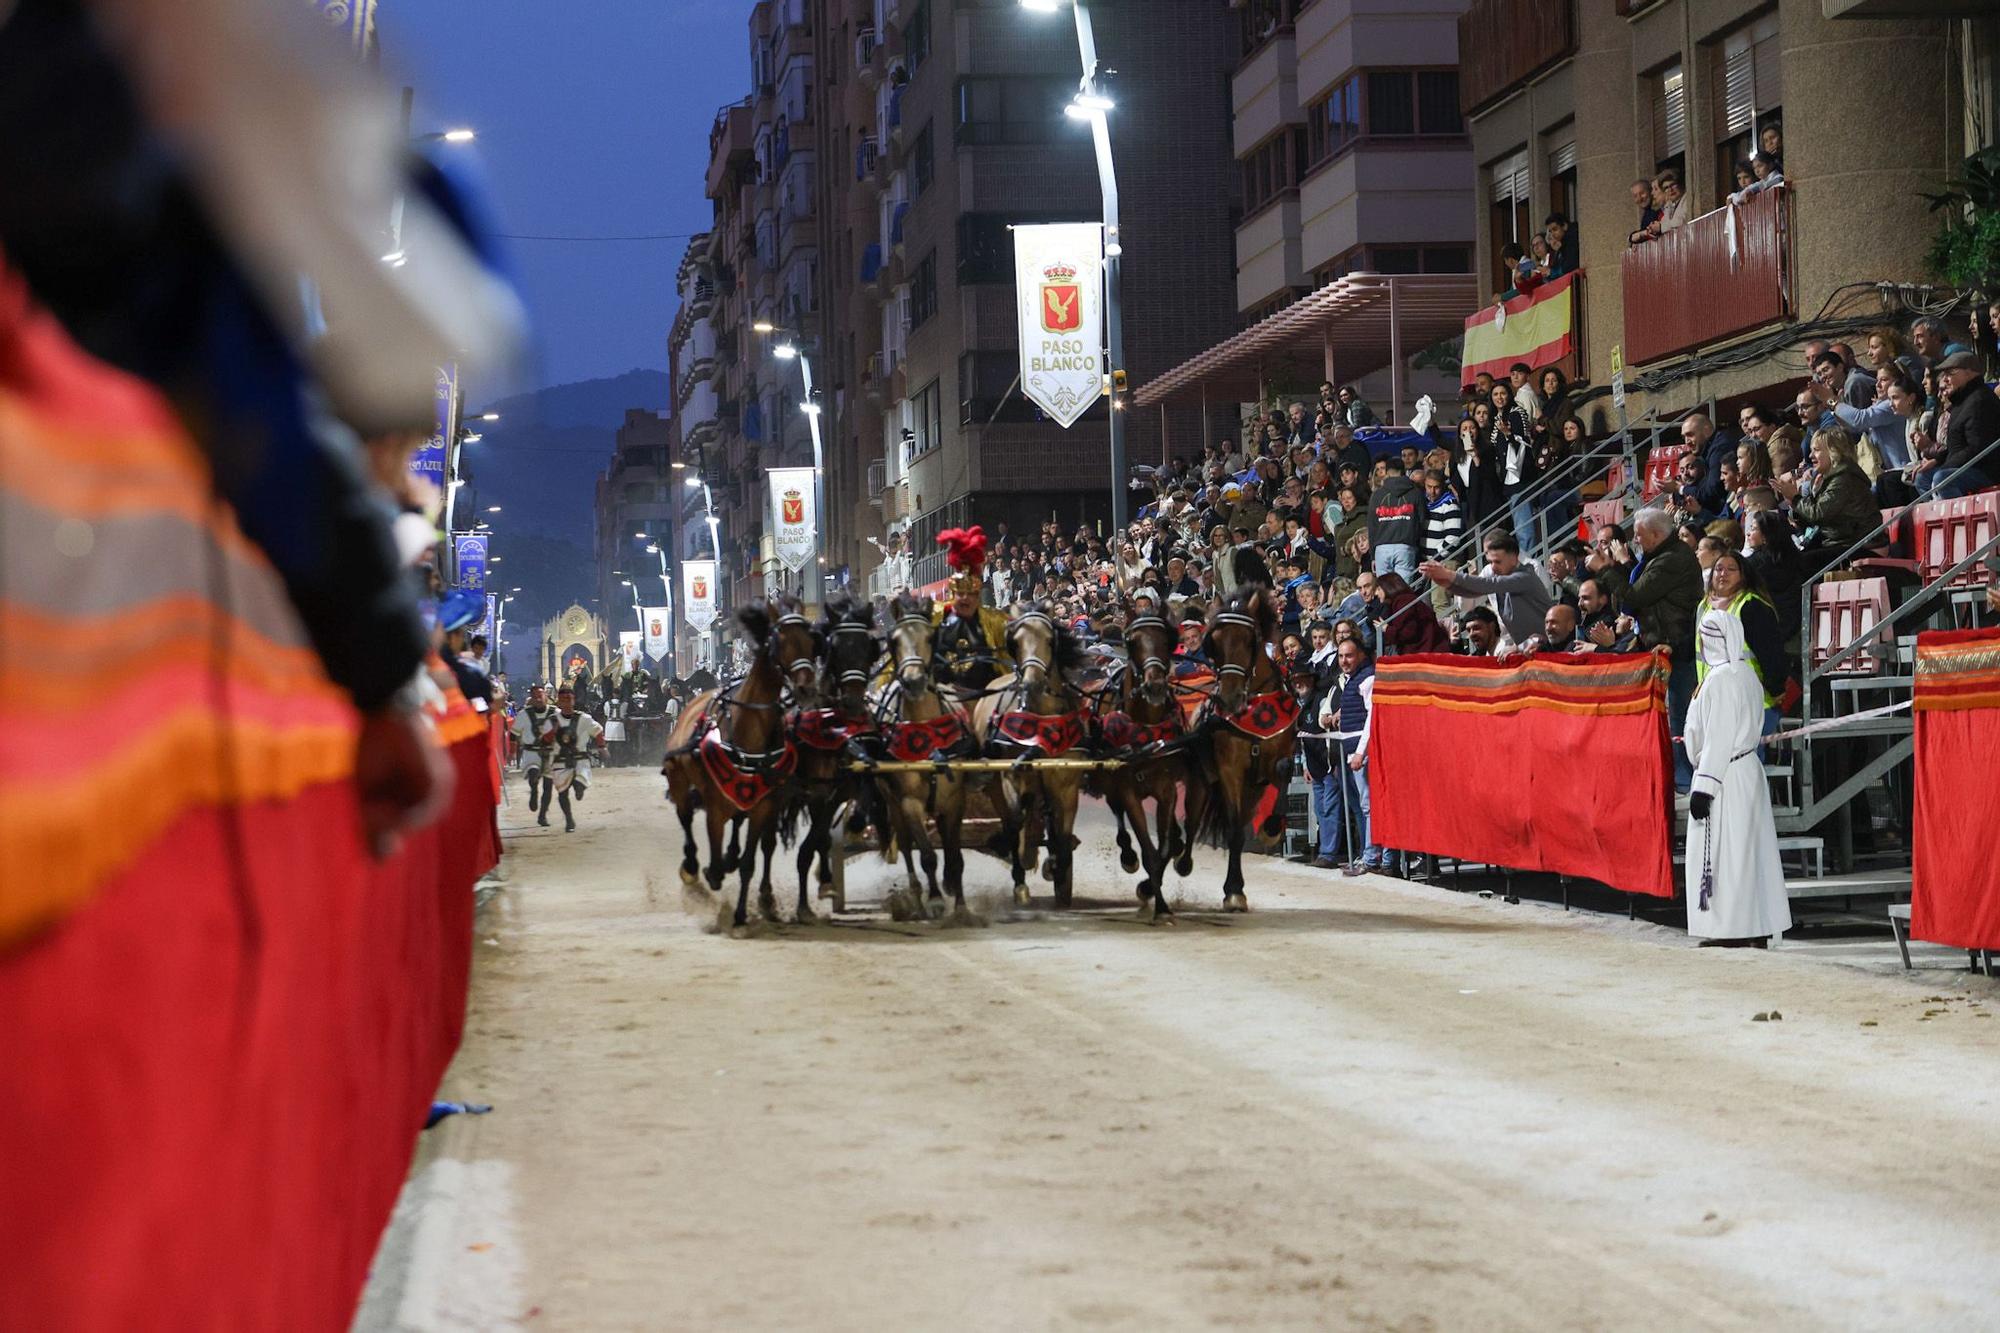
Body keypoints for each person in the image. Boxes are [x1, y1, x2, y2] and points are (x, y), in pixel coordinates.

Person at [1684, 611, 1793, 948]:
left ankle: (1731, 928)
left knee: (1727, 855)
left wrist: (1705, 786)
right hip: (1744, 773)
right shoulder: (1744, 673)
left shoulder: (1722, 679)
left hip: (1725, 776)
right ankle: (1754, 923)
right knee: (1749, 854)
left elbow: (1718, 737)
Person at [1619, 508, 1706, 791]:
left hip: (1679, 649)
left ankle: (1684, 781)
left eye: (1639, 535)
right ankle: (1675, 777)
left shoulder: (1671, 560)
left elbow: (1633, 597)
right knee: (1671, 716)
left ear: (1656, 535)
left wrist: (1616, 568)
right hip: (1663, 648)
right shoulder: (1659, 556)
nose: (1634, 539)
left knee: (1680, 718)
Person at [1419, 531, 1553, 649]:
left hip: (1549, 647)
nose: (1493, 567)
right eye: (1490, 562)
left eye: (1497, 562)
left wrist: (1448, 574)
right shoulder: (1495, 572)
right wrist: (1446, 583)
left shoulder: (1525, 575)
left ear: (1514, 557)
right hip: (1527, 647)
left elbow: (1488, 584)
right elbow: (1474, 592)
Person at [1328, 637, 1383, 876]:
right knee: (1363, 805)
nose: (1344, 661)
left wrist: (1361, 751)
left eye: (1348, 656)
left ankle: (1372, 857)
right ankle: (1368, 854)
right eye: (1340, 656)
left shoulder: (1367, 678)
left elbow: (1372, 719)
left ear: (1360, 655)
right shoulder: (1353, 680)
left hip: (1363, 752)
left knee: (1368, 805)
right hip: (1353, 750)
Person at [541, 685, 606, 833]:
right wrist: (553, 732)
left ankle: (579, 788)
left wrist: (602, 746)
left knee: (579, 783)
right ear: (559, 702)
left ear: (574, 700)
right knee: (562, 793)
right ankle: (569, 820)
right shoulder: (552, 720)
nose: (566, 703)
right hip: (559, 761)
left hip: (580, 760)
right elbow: (544, 740)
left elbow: (598, 731)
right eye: (563, 700)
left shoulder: (584, 718)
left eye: (569, 699)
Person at [1366, 457, 1425, 583]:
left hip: (1381, 548)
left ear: (1387, 472)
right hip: (1405, 546)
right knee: (1404, 592)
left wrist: (1372, 556)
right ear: (1403, 471)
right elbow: (1421, 520)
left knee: (1385, 592)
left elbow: (1372, 527)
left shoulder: (1376, 495)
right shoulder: (1415, 492)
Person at [512, 683, 559, 812]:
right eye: (535, 696)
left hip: (550, 753)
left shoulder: (555, 713)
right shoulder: (523, 714)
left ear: (546, 696)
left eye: (540, 695)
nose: (538, 699)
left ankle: (543, 814)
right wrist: (512, 751)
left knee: (548, 786)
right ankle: (533, 791)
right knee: (533, 776)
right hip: (531, 753)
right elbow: (513, 734)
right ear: (531, 699)